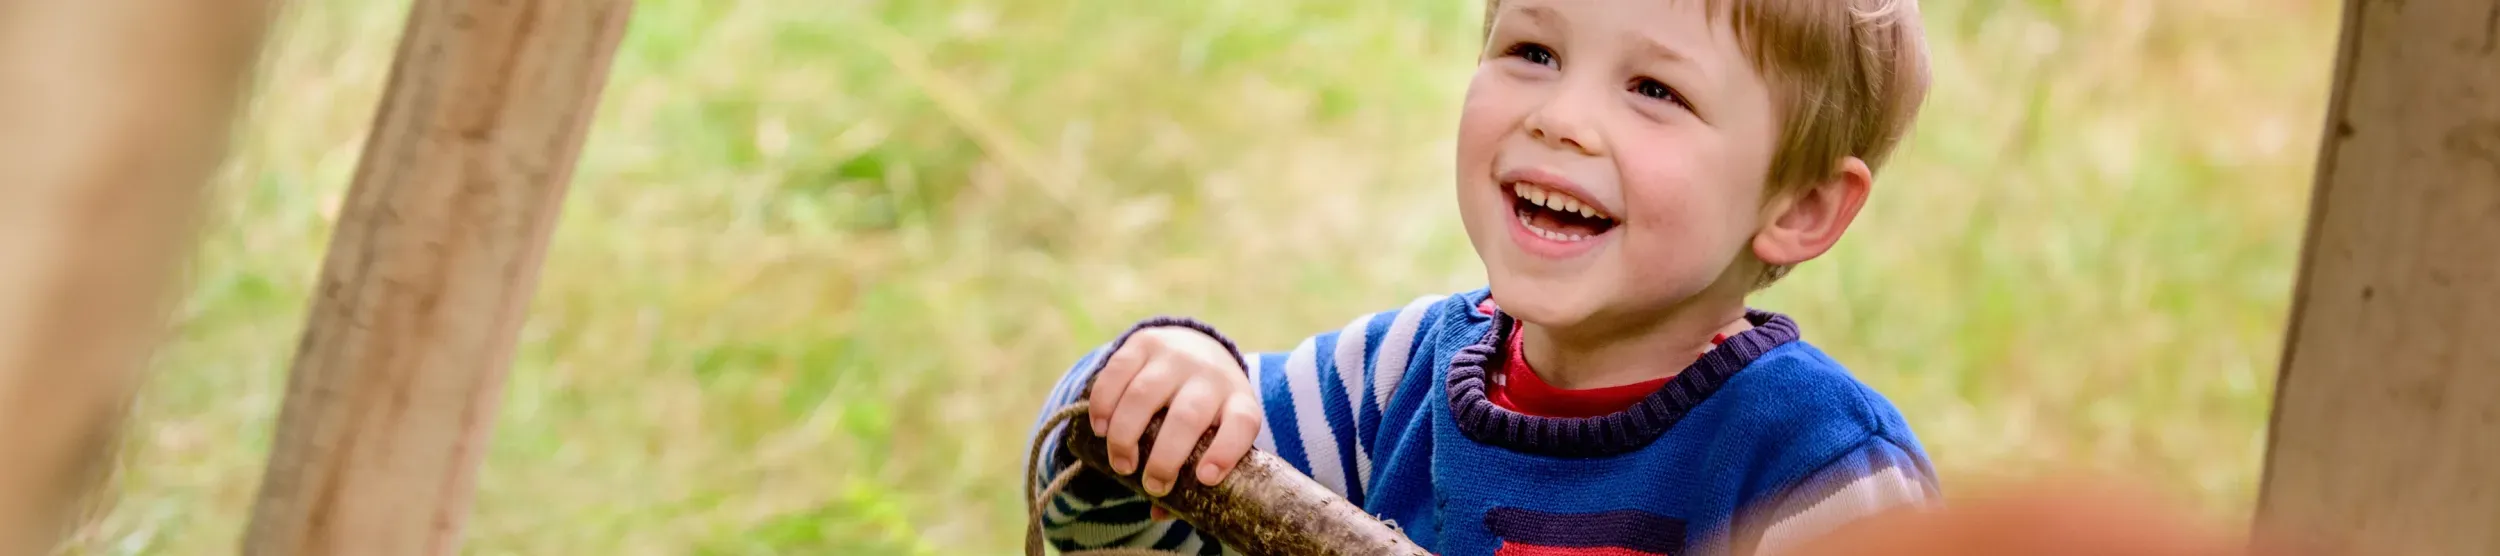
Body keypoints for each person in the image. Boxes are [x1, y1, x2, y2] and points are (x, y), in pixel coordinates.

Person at [1028, 0, 1935, 553]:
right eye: (1533, 52)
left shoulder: (1816, 468)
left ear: (1800, 209)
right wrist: (1150, 389)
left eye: (1657, 90)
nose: (1563, 118)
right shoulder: (1393, 379)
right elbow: (1106, 526)